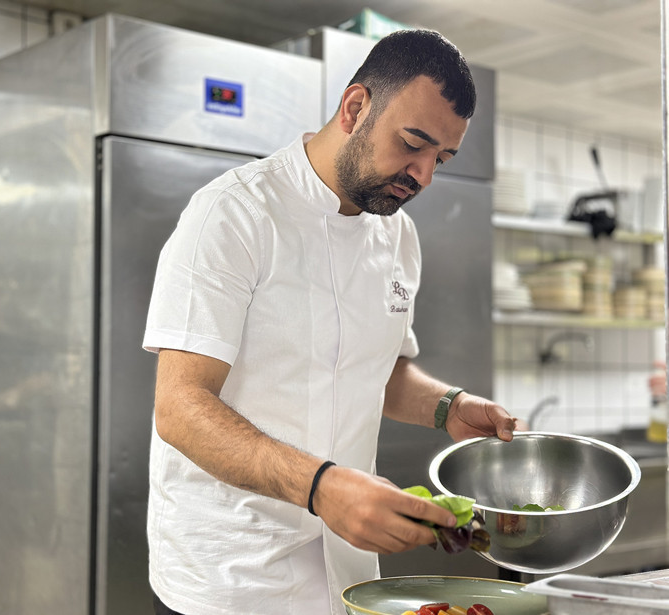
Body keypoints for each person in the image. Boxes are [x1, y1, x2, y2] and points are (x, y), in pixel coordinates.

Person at [142, 28, 517, 615]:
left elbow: (377, 372)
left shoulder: (397, 234)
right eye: (412, 143)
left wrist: (449, 406)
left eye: (441, 159)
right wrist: (321, 486)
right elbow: (180, 407)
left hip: (348, 573)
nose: (423, 175)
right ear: (355, 107)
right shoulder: (234, 214)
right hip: (233, 578)